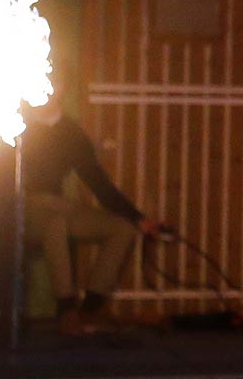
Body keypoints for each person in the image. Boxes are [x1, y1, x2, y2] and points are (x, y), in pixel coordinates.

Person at [20, 95, 168, 335]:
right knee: (55, 223)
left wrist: (138, 218)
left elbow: (98, 182)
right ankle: (66, 310)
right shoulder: (18, 125)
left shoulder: (70, 132)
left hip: (59, 203)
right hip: (25, 205)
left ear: (59, 91)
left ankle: (90, 308)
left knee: (122, 227)